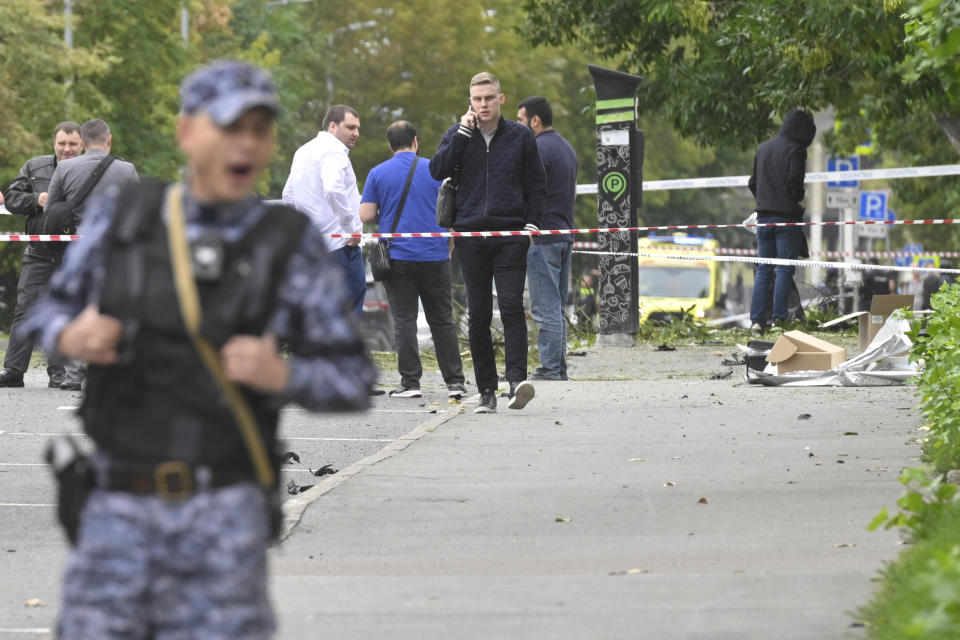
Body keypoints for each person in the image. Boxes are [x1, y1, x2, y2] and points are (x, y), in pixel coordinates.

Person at [24, 60, 375, 638]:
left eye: (259, 130)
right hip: (118, 508)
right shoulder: (129, 217)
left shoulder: (282, 243)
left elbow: (352, 377)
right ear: (189, 133)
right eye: (228, 127)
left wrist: (281, 376)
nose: (245, 144)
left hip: (224, 514)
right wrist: (72, 332)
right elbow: (45, 310)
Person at [430, 71, 546, 413]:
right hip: (470, 235)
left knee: (511, 307)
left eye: (488, 98)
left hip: (511, 234)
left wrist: (532, 223)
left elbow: (537, 184)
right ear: (470, 101)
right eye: (476, 99)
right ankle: (486, 391)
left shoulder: (521, 136)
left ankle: (516, 383)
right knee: (478, 314)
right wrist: (462, 134)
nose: (482, 104)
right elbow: (437, 170)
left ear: (501, 99)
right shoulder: (458, 134)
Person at [359, 121, 467, 399]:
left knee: (404, 320)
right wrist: (448, 247)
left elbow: (366, 215)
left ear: (390, 145)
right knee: (442, 319)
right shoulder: (435, 170)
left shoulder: (377, 173)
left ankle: (410, 383)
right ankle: (455, 381)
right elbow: (450, 213)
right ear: (416, 142)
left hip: (397, 257)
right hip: (435, 254)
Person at [42, 118, 140, 390]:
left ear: (82, 143)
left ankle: (73, 377)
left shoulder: (65, 167)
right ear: (109, 140)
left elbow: (51, 210)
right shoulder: (126, 169)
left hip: (77, 250)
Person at [0, 121, 83, 389]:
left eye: (72, 144)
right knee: (25, 310)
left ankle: (59, 373)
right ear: (54, 143)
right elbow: (12, 198)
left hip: (74, 255)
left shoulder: (91, 172)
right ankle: (13, 372)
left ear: (82, 144)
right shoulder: (34, 166)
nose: (67, 149)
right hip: (38, 253)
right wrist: (36, 199)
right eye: (62, 143)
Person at [282, 104, 365, 317]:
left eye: (357, 128)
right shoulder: (335, 151)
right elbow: (334, 189)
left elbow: (288, 196)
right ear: (332, 126)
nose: (356, 133)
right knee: (348, 307)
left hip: (311, 246)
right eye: (350, 127)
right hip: (340, 246)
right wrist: (350, 229)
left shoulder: (303, 151)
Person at [517, 96, 578, 381]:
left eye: (521, 120)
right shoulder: (567, 148)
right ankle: (559, 366)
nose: (520, 126)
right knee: (557, 305)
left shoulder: (537, 149)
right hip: (565, 233)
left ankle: (551, 368)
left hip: (542, 237)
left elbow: (527, 192)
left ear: (535, 120)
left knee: (544, 307)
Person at [748, 108, 816, 332]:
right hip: (787, 218)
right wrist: (796, 196)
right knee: (785, 269)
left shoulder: (763, 148)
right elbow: (796, 182)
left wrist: (764, 199)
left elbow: (752, 182)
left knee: (764, 269)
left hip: (763, 217)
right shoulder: (795, 150)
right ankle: (779, 319)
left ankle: (757, 321)